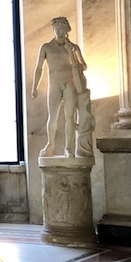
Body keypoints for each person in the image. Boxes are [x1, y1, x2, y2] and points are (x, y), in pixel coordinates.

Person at [31, 17, 88, 158]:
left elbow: (84, 66)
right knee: (53, 116)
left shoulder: (73, 47)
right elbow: (39, 69)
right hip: (55, 84)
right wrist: (34, 87)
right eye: (56, 28)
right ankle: (51, 144)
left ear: (66, 30)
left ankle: (69, 148)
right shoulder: (46, 47)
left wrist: (71, 53)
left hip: (69, 83)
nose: (58, 31)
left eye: (61, 28)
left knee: (70, 116)